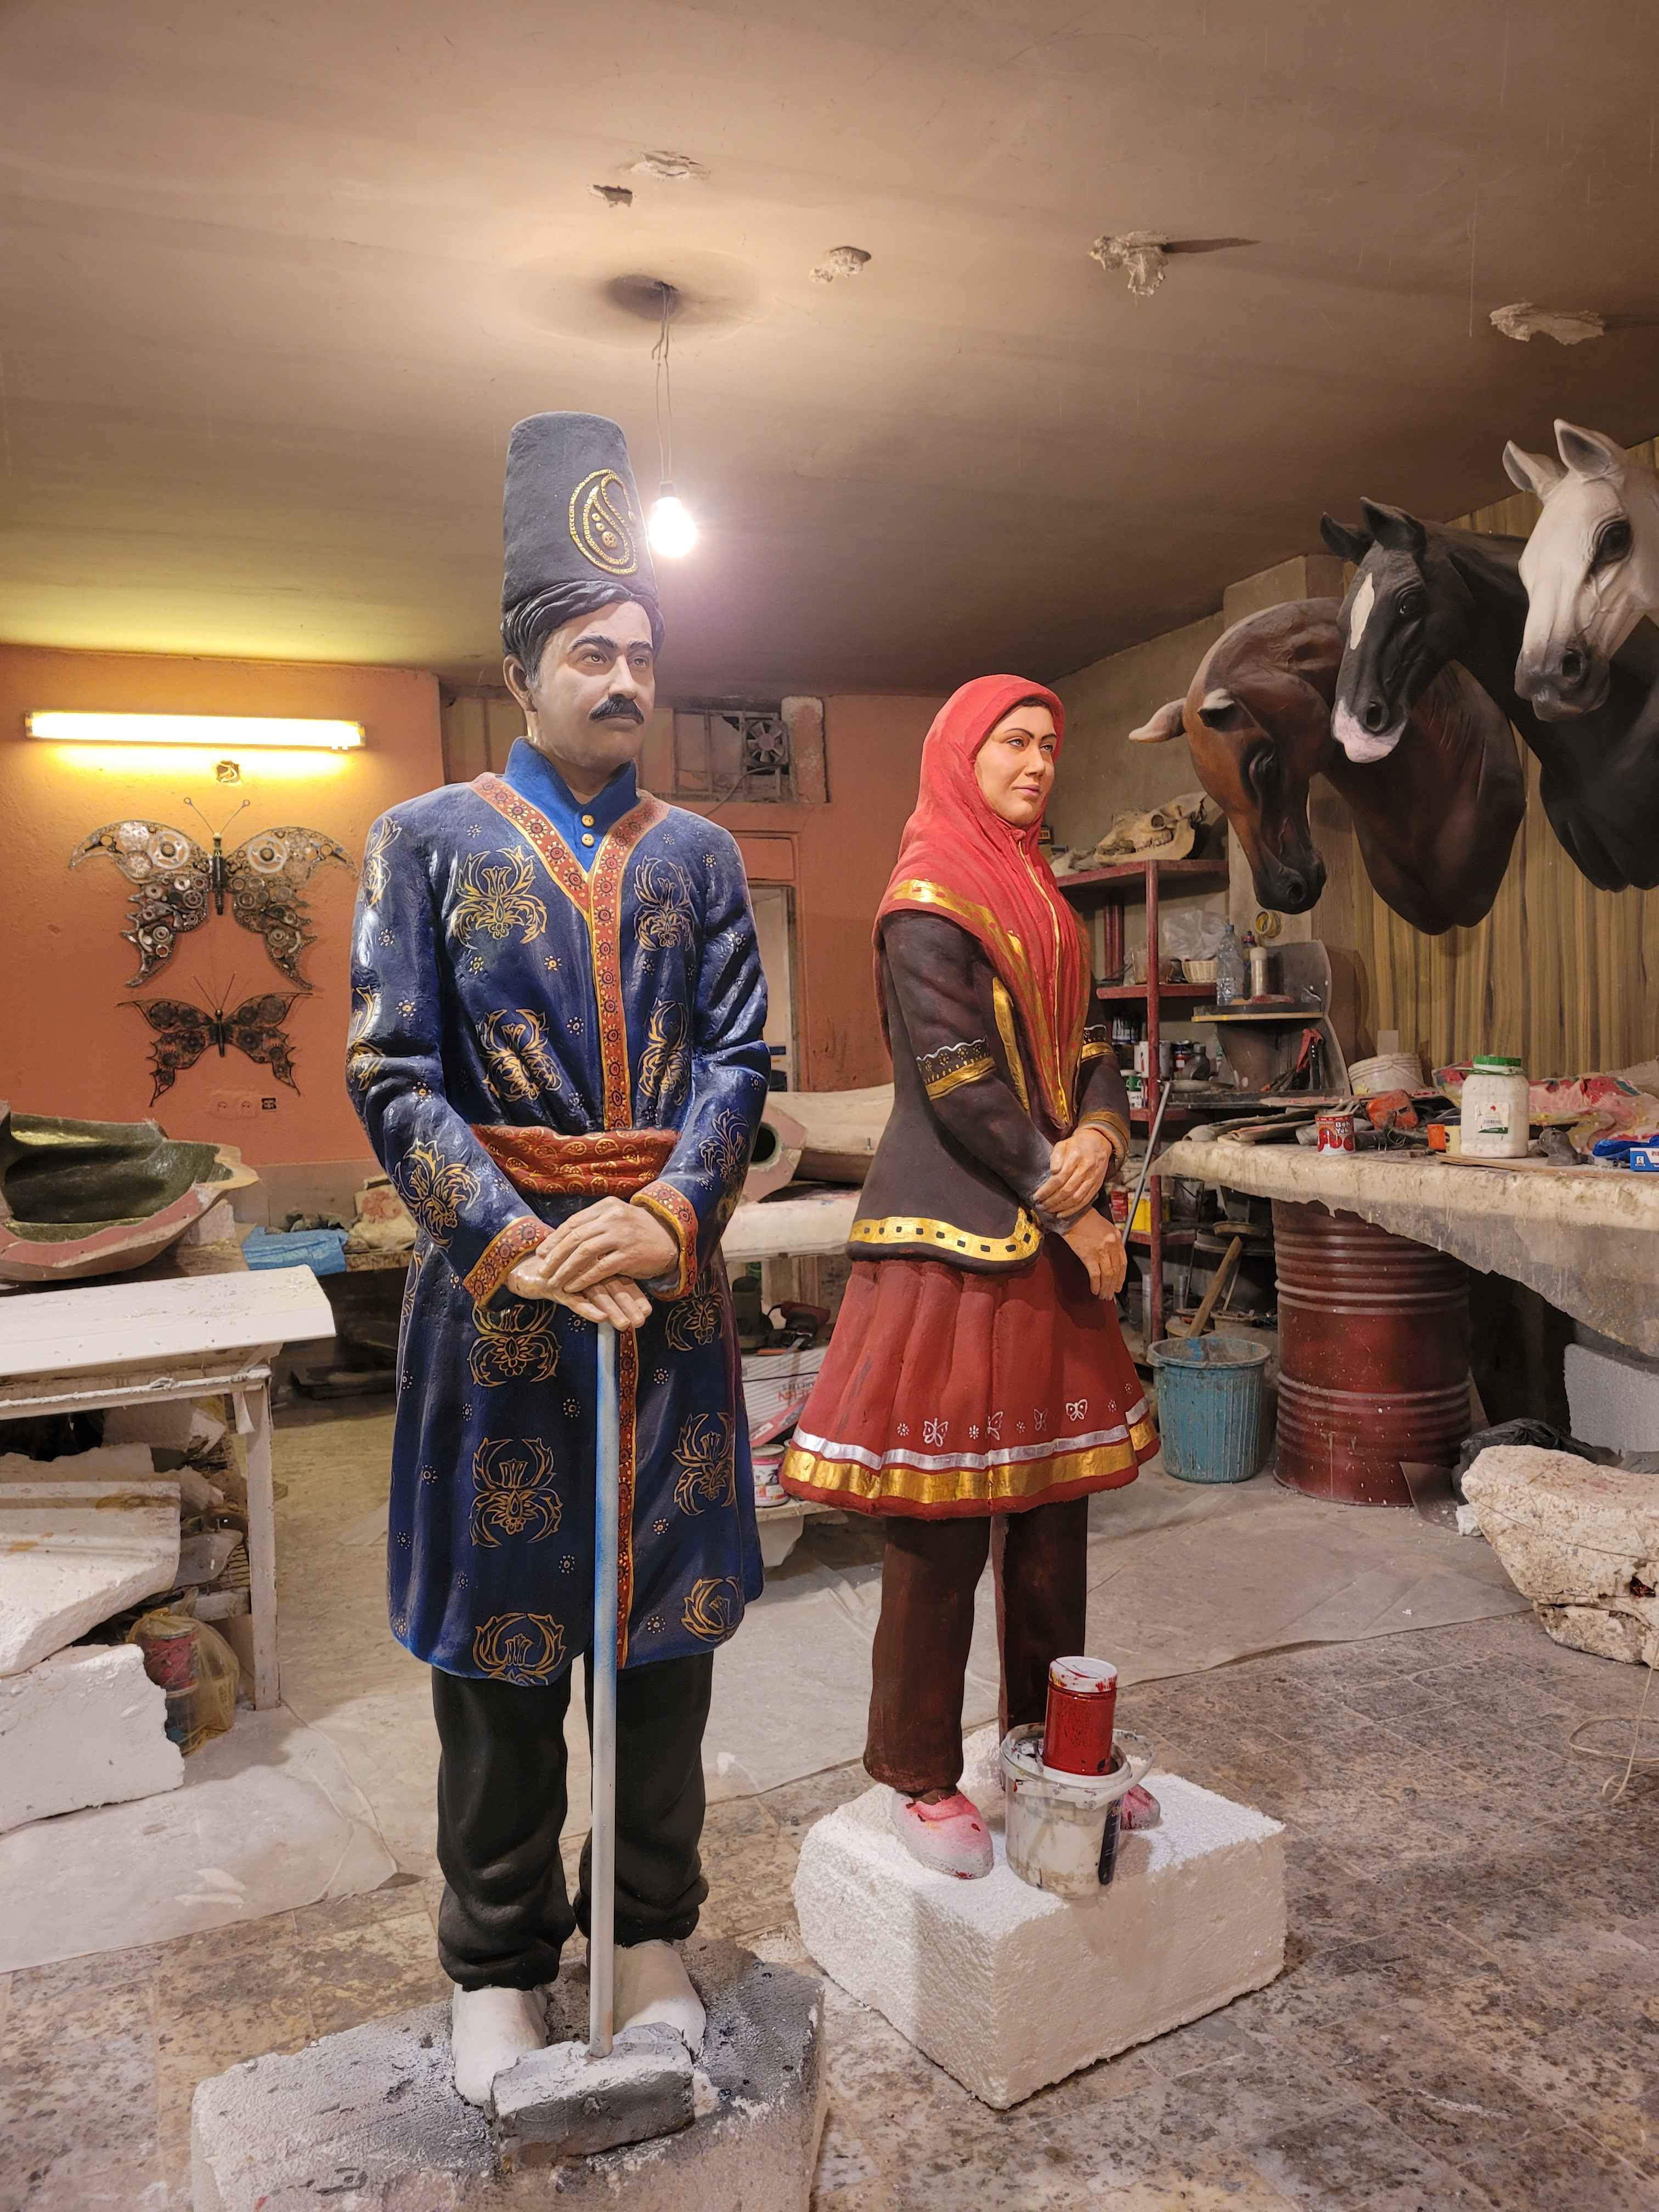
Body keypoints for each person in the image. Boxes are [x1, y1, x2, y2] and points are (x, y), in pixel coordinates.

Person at [346, 412, 769, 2103]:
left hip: (667, 1294)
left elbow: (739, 1060)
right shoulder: (426, 842)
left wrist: (666, 1217)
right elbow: (393, 1070)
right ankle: (498, 1965)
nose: (625, 680)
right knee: (503, 1661)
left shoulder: (701, 858)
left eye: (644, 655)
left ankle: (650, 1934)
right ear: (521, 671)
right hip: (503, 1306)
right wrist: (518, 1241)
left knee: (666, 1649)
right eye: (592, 652)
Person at [780, 675, 1157, 1877]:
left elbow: (1090, 1043)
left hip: (1045, 1233)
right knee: (938, 1526)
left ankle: (1051, 1746)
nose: (1038, 763)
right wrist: (1071, 1199)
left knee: (1053, 1518)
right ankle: (918, 1772)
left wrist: (1100, 1133)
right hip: (953, 1240)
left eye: (1050, 744)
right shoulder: (928, 900)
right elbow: (959, 1081)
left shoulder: (1043, 895)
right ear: (959, 754)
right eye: (1014, 743)